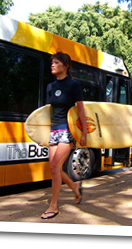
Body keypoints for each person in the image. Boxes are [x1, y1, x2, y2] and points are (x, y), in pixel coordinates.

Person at [41, 52, 87, 219]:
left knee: (54, 167)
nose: (52, 65)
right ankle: (75, 188)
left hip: (67, 131)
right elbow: (46, 112)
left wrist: (84, 133)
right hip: (53, 130)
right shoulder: (50, 87)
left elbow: (81, 110)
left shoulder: (73, 85)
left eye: (56, 62)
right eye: (52, 62)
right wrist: (41, 135)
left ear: (66, 66)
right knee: (55, 169)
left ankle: (53, 206)